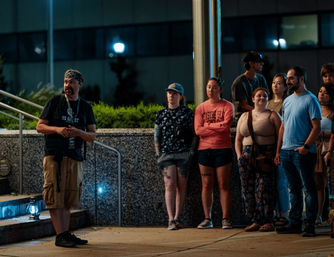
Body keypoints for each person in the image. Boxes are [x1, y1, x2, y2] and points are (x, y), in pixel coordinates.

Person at [36, 69, 96, 247]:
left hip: (74, 156)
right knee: (54, 195)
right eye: (65, 82)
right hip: (55, 156)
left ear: (79, 84)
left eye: (71, 82)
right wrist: (57, 130)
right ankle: (60, 234)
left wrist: (78, 132)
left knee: (69, 198)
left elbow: (92, 135)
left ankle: (66, 233)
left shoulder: (85, 106)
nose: (67, 85)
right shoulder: (54, 102)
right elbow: (40, 127)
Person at [275, 66, 321, 237]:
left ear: (302, 79)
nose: (288, 81)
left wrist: (306, 147)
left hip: (303, 152)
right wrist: (279, 151)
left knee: (308, 189)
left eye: (291, 78)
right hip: (287, 151)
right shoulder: (287, 101)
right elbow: (283, 126)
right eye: (287, 78)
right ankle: (295, 223)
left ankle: (310, 224)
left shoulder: (311, 99)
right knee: (293, 189)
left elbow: (316, 128)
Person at [235, 88, 281, 232]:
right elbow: (238, 139)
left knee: (264, 187)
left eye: (265, 96)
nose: (261, 98)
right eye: (258, 95)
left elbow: (281, 136)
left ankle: (267, 220)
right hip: (246, 155)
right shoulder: (244, 116)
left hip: (266, 154)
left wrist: (277, 153)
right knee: (247, 188)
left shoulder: (273, 115)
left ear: (268, 99)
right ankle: (255, 219)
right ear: (253, 98)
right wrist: (239, 156)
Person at [194, 77, 234, 229]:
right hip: (204, 150)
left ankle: (225, 218)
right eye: (209, 87)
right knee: (206, 184)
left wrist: (208, 126)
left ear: (220, 90)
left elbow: (226, 127)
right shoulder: (200, 108)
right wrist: (217, 126)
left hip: (223, 148)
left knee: (224, 184)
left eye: (215, 87)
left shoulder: (227, 106)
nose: (211, 90)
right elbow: (198, 130)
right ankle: (207, 218)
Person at [154, 83, 194, 230]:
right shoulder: (161, 113)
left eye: (175, 93)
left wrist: (191, 152)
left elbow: (193, 133)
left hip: (183, 154)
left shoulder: (187, 113)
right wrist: (158, 153)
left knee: (182, 186)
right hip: (166, 154)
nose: (171, 96)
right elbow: (157, 135)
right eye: (169, 93)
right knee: (169, 184)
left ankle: (177, 217)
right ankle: (171, 219)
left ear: (180, 96)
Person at [267, 73, 290, 228]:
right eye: (274, 83)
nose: (276, 86)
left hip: (281, 145)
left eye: (279, 83)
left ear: (285, 87)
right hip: (267, 146)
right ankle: (275, 213)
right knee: (271, 182)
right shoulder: (267, 103)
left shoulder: (286, 102)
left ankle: (284, 213)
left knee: (282, 181)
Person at [315, 84, 334, 225]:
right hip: (315, 149)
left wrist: (322, 134)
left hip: (329, 149)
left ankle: (330, 215)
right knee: (319, 184)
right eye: (320, 92)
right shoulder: (314, 109)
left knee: (330, 183)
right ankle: (318, 215)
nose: (322, 94)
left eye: (326, 92)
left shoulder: (333, 113)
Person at [231, 51, 268, 118]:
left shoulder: (261, 79)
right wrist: (260, 112)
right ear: (251, 63)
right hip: (243, 117)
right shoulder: (240, 82)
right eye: (259, 62)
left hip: (258, 115)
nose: (262, 64)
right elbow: (244, 106)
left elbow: (266, 97)